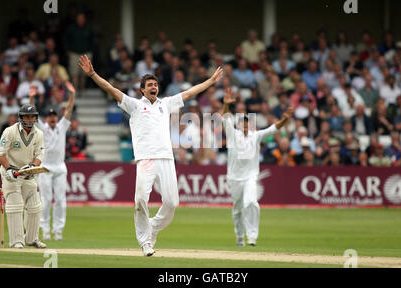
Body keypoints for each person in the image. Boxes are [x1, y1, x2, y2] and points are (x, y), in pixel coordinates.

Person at [78, 54, 223, 256]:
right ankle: (145, 242)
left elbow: (190, 92)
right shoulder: (135, 105)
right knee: (140, 201)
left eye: (155, 84)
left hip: (166, 158)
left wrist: (210, 81)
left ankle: (152, 227)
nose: (154, 87)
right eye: (150, 85)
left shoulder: (166, 103)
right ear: (142, 89)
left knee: (172, 203)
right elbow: (111, 89)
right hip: (145, 159)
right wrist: (92, 74)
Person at [222, 87, 294, 246]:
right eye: (243, 123)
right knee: (238, 209)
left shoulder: (256, 136)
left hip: (250, 177)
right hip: (234, 177)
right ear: (239, 125)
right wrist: (226, 105)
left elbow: (273, 128)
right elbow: (225, 118)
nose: (245, 125)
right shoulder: (233, 135)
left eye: (247, 122)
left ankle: (252, 236)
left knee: (251, 202)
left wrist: (284, 120)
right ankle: (239, 235)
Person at [29, 82, 75, 241]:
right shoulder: (42, 127)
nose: (53, 118)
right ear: (47, 119)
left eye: (55, 116)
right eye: (50, 117)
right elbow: (33, 114)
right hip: (45, 168)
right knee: (46, 200)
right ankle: (45, 229)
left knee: (61, 200)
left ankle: (58, 230)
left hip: (60, 167)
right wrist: (31, 98)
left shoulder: (62, 126)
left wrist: (72, 94)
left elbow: (68, 111)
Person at [0, 104, 46, 248]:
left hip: (27, 174)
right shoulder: (10, 131)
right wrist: (9, 169)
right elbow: (1, 154)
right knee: (15, 206)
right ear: (21, 117)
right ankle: (16, 241)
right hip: (11, 174)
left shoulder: (39, 134)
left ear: (35, 118)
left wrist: (32, 167)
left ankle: (31, 239)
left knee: (35, 207)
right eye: (26, 116)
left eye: (32, 117)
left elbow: (39, 154)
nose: (30, 120)